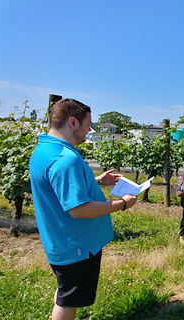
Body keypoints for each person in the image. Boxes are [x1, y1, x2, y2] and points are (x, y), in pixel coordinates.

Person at [29, 98, 137, 320]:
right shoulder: (64, 159)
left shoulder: (45, 148)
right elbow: (79, 209)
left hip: (60, 240)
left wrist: (96, 180)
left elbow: (59, 188)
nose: (89, 130)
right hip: (76, 244)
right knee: (68, 300)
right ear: (72, 122)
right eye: (87, 125)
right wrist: (122, 203)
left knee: (65, 290)